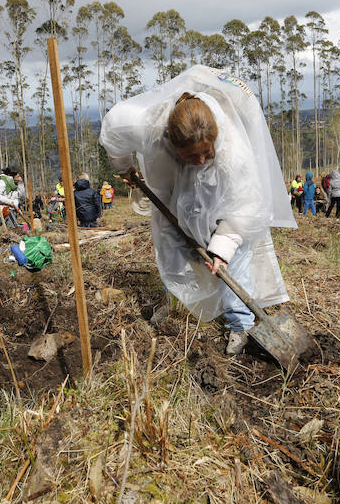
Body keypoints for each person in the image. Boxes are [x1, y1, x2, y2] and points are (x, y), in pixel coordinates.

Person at [99, 65, 295, 355]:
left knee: (235, 261)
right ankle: (177, 307)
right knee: (171, 251)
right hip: (171, 199)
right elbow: (114, 131)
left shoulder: (233, 153)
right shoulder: (148, 126)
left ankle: (239, 325)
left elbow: (246, 207)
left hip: (222, 206)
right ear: (171, 140)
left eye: (207, 152)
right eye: (191, 155)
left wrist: (222, 247)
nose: (201, 159)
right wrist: (124, 168)